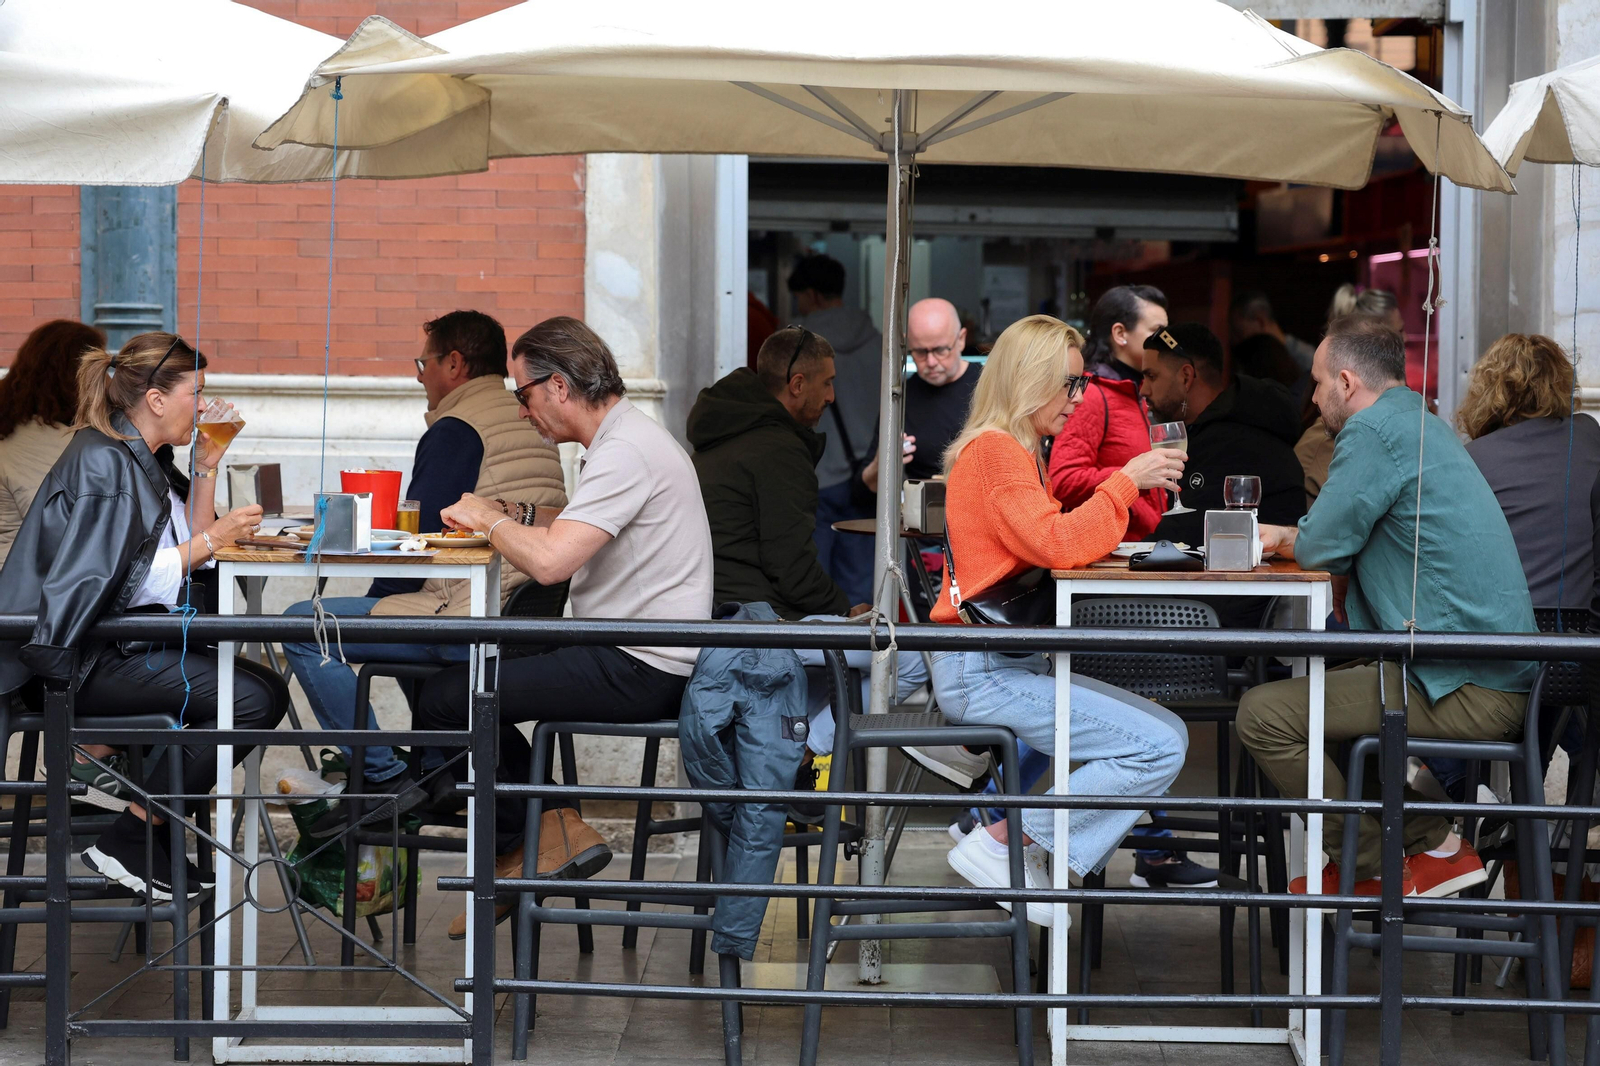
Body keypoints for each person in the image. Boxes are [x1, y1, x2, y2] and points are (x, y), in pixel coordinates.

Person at [413, 316, 714, 939]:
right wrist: (514, 511)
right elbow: (577, 521)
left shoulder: (625, 450)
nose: (520, 411)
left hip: (638, 662)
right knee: (462, 670)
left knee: (450, 697)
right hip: (623, 644)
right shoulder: (623, 439)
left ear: (557, 387)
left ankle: (524, 843)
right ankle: (552, 828)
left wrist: (484, 518)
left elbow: (551, 560)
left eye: (521, 393)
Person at [1237, 315, 1537, 899]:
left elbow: (1325, 543)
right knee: (1329, 707)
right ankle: (1439, 846)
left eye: (1320, 383)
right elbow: (1337, 535)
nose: (1315, 396)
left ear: (1347, 382)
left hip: (1461, 680)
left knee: (1264, 713)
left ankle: (1368, 864)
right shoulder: (1419, 423)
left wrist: (1297, 537)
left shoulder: (1372, 432)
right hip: (1483, 668)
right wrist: (1302, 537)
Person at [0, 332, 289, 900]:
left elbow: (183, 547)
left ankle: (147, 835)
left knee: (262, 690)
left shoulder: (135, 455)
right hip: (78, 663)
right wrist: (216, 540)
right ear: (156, 399)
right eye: (196, 392)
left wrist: (206, 465)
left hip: (109, 647)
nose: (204, 405)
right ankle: (135, 831)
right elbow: (124, 583)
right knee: (253, 700)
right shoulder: (108, 463)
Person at [932, 314, 1196, 923]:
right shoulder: (998, 453)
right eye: (1071, 384)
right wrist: (1127, 481)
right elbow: (1055, 542)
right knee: (1158, 746)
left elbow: (1051, 542)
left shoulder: (1006, 449)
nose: (1079, 400)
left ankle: (1017, 844)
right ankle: (1007, 842)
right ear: (1030, 381)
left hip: (991, 663)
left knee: (1167, 738)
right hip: (984, 672)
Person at [280, 311, 567, 836]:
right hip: (521, 612)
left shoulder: (459, 429)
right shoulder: (527, 417)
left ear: (453, 363)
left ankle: (384, 777)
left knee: (304, 627)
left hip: (467, 615)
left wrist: (376, 599)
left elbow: (421, 550)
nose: (419, 375)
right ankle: (436, 771)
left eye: (423, 362)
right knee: (388, 635)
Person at [686, 324, 931, 796]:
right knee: (916, 659)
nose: (833, 396)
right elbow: (790, 565)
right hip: (758, 624)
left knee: (840, 673)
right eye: (827, 382)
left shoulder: (724, 432)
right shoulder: (776, 449)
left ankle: (783, 751)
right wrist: (845, 611)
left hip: (723, 616)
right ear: (797, 385)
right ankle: (802, 749)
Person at [1459, 333, 1600, 612]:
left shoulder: (1473, 458)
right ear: (1560, 382)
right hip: (1587, 629)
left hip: (1506, 629)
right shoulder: (1587, 433)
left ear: (1487, 390)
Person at [1139, 323, 1305, 546]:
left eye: (1151, 376)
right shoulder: (1215, 428)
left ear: (1186, 377)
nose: (1143, 390)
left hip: (1268, 577)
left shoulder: (1235, 439)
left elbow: (1187, 534)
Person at [790, 254, 883, 606]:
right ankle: (863, 659)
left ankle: (826, 659)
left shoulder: (797, 347)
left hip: (820, 476)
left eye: (799, 297)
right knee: (862, 585)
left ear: (812, 295)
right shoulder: (879, 343)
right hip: (869, 479)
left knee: (815, 585)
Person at [1047, 285, 1169, 539]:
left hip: (1137, 547)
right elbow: (1063, 480)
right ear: (1120, 333)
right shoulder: (1091, 394)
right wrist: (1131, 478)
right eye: (1157, 332)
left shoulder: (1136, 390)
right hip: (1108, 553)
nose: (1168, 342)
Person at [0, 319, 106, 565]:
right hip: (22, 592)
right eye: (99, 373)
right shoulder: (38, 443)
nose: (106, 384)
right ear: (75, 376)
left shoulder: (21, 426)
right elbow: (64, 533)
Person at [860, 297, 983, 489]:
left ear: (961, 340)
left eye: (940, 350)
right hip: (925, 511)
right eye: (920, 352)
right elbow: (865, 486)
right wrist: (882, 464)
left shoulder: (990, 386)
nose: (931, 362)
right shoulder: (900, 398)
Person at [1297, 288, 1402, 506]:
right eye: (1399, 332)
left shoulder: (1397, 423)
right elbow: (1324, 535)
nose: (1406, 338)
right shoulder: (1333, 440)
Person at [1230, 290, 1317, 375]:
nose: (1235, 341)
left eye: (1239, 333)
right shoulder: (1250, 364)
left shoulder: (1308, 359)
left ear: (1260, 321)